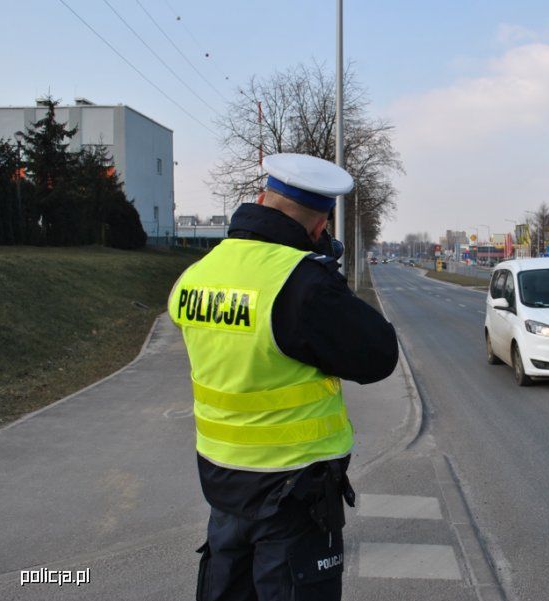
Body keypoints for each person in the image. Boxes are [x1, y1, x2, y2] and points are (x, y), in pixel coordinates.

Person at [168, 153, 399, 601]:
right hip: (293, 494)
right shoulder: (302, 283)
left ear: (260, 200)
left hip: (222, 485)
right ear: (319, 226)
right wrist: (328, 278)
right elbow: (378, 355)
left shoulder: (196, 274)